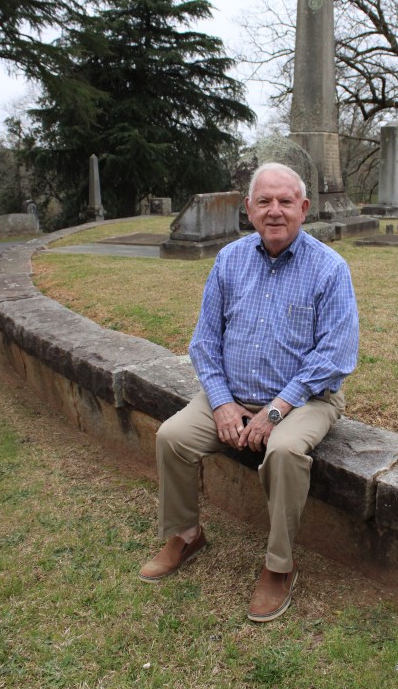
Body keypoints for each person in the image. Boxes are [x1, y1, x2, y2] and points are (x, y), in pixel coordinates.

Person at [139, 162, 359, 621]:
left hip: (306, 398)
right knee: (172, 437)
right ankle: (184, 535)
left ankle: (279, 566)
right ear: (248, 209)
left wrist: (275, 411)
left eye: (284, 202)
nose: (274, 211)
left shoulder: (330, 269)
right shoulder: (230, 259)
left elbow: (336, 355)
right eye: (264, 201)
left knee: (283, 453)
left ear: (303, 208)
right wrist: (220, 403)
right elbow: (204, 342)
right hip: (233, 393)